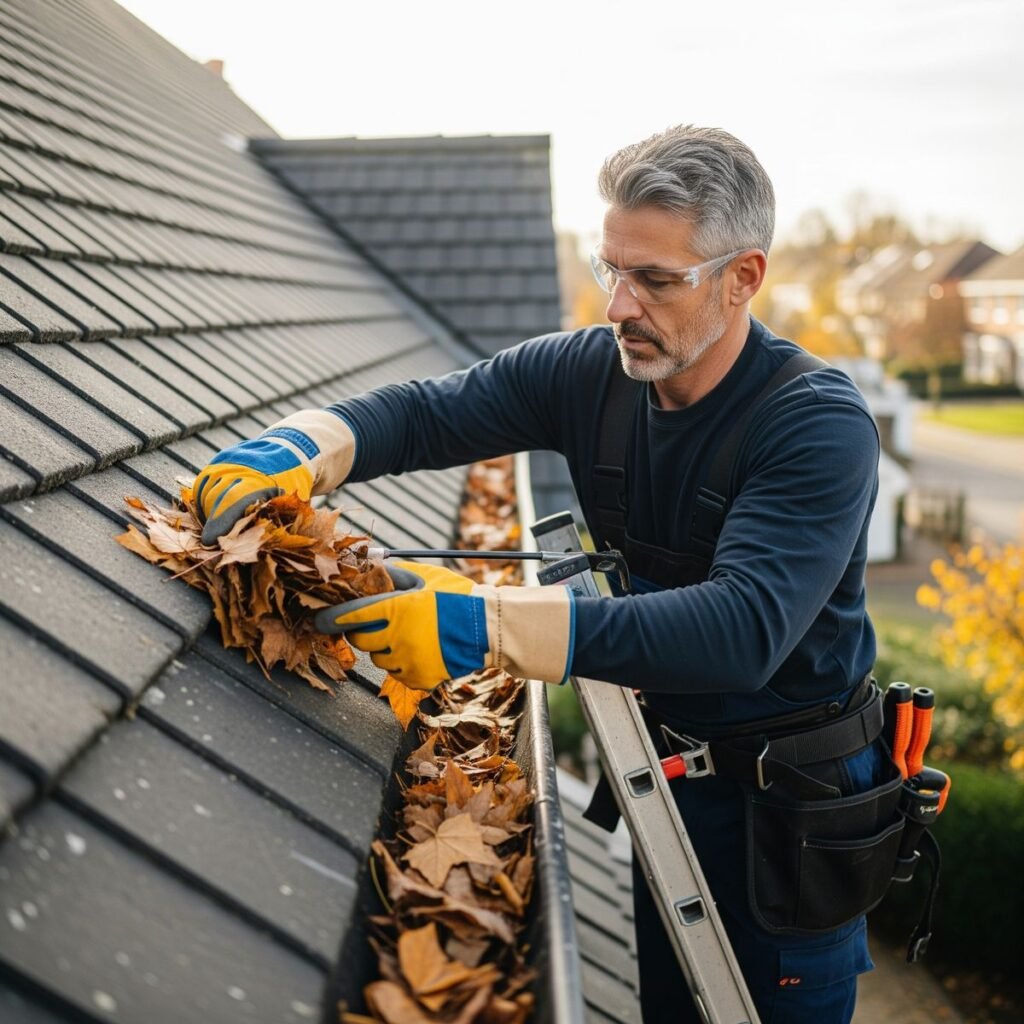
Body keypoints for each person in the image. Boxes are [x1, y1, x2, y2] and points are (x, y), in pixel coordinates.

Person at [194, 125, 896, 1023]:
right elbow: (425, 413)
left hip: (786, 827)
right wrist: (305, 447)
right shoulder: (593, 374)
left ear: (743, 276)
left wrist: (480, 624)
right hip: (668, 795)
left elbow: (740, 629)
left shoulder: (815, 425)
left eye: (655, 280)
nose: (619, 308)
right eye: (611, 270)